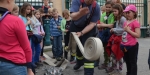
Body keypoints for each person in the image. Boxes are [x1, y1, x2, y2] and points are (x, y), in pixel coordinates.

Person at [0, 0, 33, 75]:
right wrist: (29, 69)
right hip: (15, 65)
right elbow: (27, 48)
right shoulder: (16, 21)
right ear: (9, 1)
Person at [70, 0, 100, 75]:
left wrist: (82, 32)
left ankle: (89, 72)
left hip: (88, 27)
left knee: (87, 48)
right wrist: (80, 13)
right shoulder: (77, 1)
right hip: (75, 26)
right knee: (78, 48)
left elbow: (92, 23)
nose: (92, 1)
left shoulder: (96, 6)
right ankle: (79, 62)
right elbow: (73, 17)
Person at [106, 3, 126, 75]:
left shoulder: (123, 19)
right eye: (113, 11)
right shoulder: (117, 18)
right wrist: (114, 29)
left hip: (120, 39)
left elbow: (124, 29)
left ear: (119, 10)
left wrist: (114, 30)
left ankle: (119, 70)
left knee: (119, 54)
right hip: (115, 38)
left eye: (115, 11)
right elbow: (118, 28)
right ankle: (114, 68)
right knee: (113, 54)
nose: (114, 13)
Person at [120, 4, 140, 75]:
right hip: (125, 45)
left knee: (132, 62)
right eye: (126, 12)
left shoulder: (135, 23)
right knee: (127, 61)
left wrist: (128, 30)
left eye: (129, 12)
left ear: (134, 13)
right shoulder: (125, 22)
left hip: (132, 46)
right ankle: (128, 73)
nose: (127, 14)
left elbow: (138, 35)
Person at [97, 1, 115, 72]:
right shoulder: (104, 14)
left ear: (112, 7)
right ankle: (106, 62)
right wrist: (107, 25)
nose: (107, 8)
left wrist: (104, 25)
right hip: (104, 34)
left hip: (111, 34)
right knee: (105, 48)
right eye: (106, 7)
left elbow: (112, 25)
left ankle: (112, 64)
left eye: (109, 7)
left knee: (111, 49)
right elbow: (100, 23)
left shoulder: (113, 14)